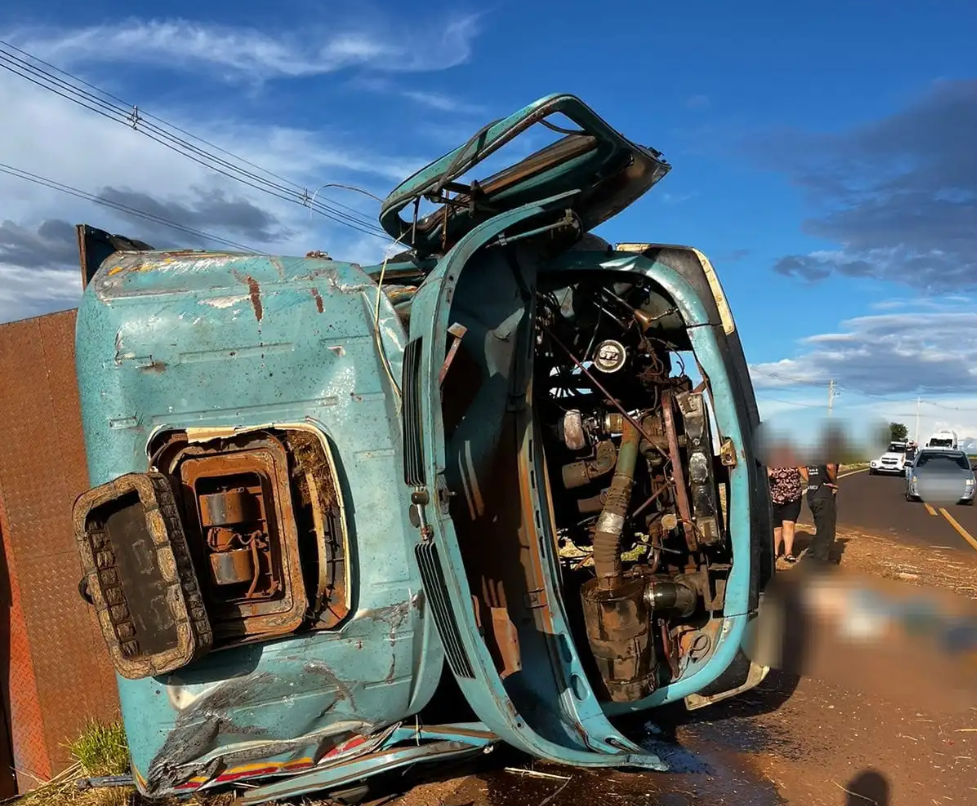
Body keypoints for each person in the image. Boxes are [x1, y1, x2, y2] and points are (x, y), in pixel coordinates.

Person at [768, 446, 803, 563]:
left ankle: (788, 553)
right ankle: (775, 553)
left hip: (793, 496)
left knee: (789, 524)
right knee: (776, 527)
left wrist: (816, 485)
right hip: (774, 497)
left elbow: (803, 471)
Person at [799, 461, 839, 564]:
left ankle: (810, 557)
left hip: (812, 494)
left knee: (822, 530)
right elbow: (830, 466)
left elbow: (801, 466)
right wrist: (834, 483)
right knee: (826, 532)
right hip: (823, 494)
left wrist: (812, 481)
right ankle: (819, 564)